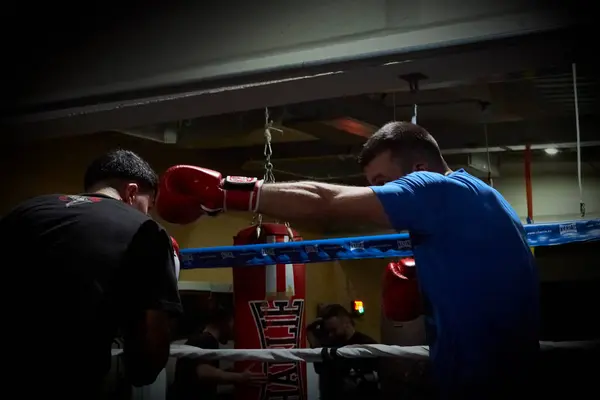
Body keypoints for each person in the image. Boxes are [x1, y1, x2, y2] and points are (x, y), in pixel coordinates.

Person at [155, 121, 540, 399]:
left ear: (419, 170)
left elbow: (327, 203)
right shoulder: (488, 199)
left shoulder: (436, 188)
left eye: (383, 182)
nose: (379, 194)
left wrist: (222, 192)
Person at [0, 149, 182, 398]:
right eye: (147, 205)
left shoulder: (24, 211)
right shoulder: (145, 230)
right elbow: (148, 356)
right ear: (131, 192)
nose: (146, 213)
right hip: (70, 381)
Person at [172, 307, 266, 400]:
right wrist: (240, 377)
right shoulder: (207, 340)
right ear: (224, 321)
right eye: (233, 322)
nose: (234, 329)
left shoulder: (200, 337)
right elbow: (203, 372)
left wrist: (231, 372)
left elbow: (196, 374)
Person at [307, 304, 379, 400]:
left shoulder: (366, 344)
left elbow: (382, 374)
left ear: (346, 323)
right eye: (328, 331)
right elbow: (320, 370)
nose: (331, 334)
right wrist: (312, 338)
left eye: (334, 330)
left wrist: (359, 379)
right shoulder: (330, 345)